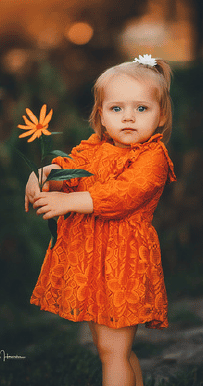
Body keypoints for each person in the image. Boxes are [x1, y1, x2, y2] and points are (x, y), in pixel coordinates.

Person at [24, 55, 175, 386]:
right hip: (92, 264)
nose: (129, 118)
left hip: (122, 266)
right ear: (101, 116)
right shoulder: (93, 149)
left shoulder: (153, 158)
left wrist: (69, 201)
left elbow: (124, 195)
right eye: (117, 109)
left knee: (113, 351)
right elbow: (70, 172)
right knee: (111, 349)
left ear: (160, 115)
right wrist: (44, 175)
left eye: (142, 109)